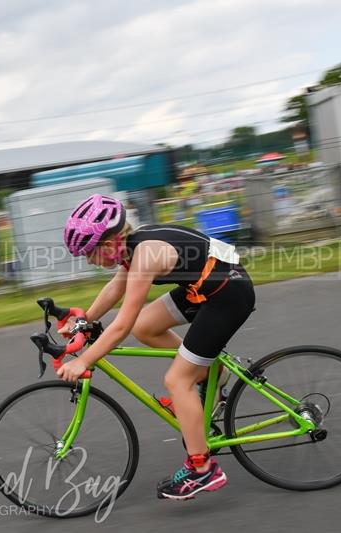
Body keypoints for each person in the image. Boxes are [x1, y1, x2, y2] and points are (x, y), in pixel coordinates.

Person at [56, 194, 255, 500]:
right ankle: (207, 371)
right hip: (205, 286)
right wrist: (84, 320)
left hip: (226, 296)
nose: (88, 261)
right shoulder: (133, 247)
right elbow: (115, 289)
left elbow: (120, 325)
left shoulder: (145, 255)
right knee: (145, 326)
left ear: (107, 244)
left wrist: (84, 361)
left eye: (88, 253)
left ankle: (202, 469)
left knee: (177, 380)